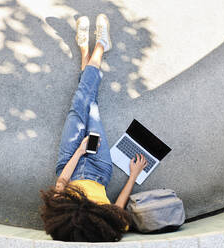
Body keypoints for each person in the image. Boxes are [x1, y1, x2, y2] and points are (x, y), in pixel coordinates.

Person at [40, 14, 148, 242]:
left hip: (69, 160)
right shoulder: (109, 226)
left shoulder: (64, 221)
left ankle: (95, 48)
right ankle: (93, 48)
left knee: (79, 106)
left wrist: (79, 151)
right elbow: (118, 206)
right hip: (100, 168)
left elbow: (61, 183)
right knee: (90, 107)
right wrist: (133, 176)